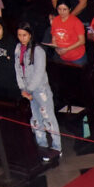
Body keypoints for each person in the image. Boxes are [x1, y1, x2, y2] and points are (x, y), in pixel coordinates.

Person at [14, 21, 62, 163]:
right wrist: (22, 88)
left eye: (24, 35)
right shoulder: (18, 48)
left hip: (40, 90)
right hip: (27, 91)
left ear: (30, 35)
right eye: (19, 35)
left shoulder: (38, 51)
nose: (22, 38)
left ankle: (56, 147)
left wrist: (28, 89)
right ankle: (42, 145)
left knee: (48, 118)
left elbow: (39, 73)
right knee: (35, 119)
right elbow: (17, 69)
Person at [49, 0, 87, 66]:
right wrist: (56, 48)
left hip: (77, 57)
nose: (62, 12)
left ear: (69, 9)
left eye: (64, 9)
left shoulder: (76, 22)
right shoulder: (55, 21)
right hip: (62, 56)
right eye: (59, 9)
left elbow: (82, 41)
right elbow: (54, 37)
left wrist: (66, 49)